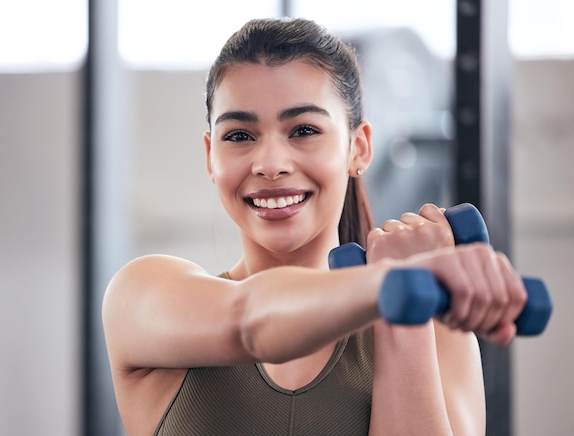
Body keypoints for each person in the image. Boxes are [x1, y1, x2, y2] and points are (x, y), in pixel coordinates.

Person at [102, 17, 527, 435]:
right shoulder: (143, 294)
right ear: (210, 155)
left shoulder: (439, 334)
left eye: (303, 130)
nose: (270, 165)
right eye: (239, 135)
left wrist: (405, 321)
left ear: (358, 148)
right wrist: (394, 283)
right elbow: (250, 320)